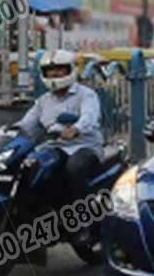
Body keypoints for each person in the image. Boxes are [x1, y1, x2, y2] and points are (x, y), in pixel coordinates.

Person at [16, 50, 103, 206]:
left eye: (59, 69)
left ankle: (83, 217)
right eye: (50, 70)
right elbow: (27, 123)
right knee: (32, 167)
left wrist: (75, 129)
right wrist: (4, 132)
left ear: (70, 69)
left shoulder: (86, 95)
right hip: (54, 147)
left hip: (84, 146)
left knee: (74, 168)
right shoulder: (43, 101)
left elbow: (89, 117)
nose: (54, 74)